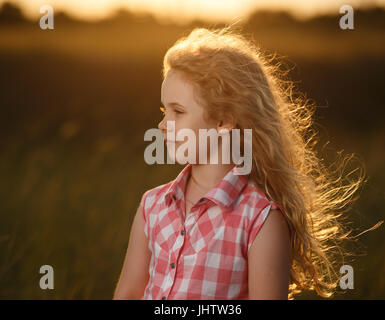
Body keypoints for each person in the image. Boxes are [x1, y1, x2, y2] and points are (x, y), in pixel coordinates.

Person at [113, 26, 366, 300]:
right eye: (164, 110)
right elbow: (128, 293)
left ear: (224, 120)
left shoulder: (260, 220)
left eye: (178, 112)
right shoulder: (152, 206)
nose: (162, 125)